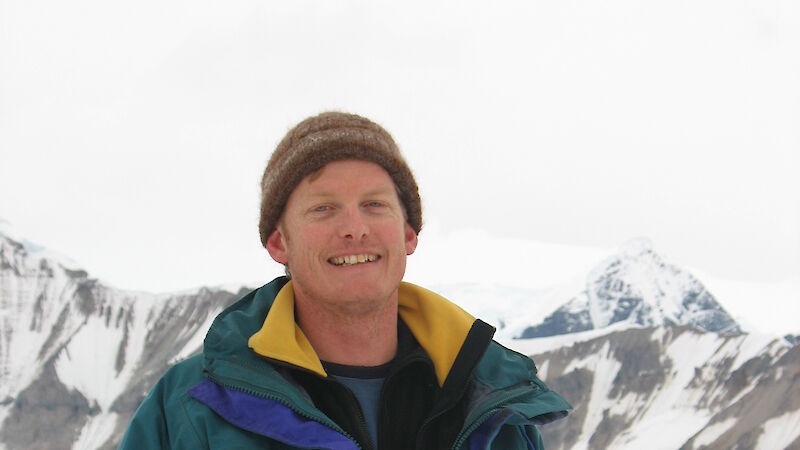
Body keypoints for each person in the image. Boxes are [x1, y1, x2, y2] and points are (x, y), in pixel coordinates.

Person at [119, 112, 570, 450]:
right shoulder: (189, 408)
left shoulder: (492, 401)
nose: (355, 228)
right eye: (323, 208)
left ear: (408, 235)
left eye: (375, 205)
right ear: (279, 243)